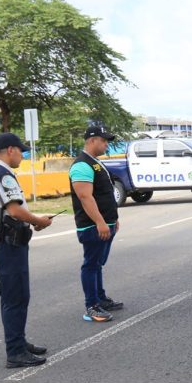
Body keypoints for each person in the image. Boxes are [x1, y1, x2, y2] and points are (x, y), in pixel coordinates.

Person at [0, 133, 53, 368]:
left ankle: (19, 343)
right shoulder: (2, 174)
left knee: (17, 296)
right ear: (10, 149)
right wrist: (37, 220)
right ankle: (15, 352)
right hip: (8, 243)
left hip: (10, 241)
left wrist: (33, 221)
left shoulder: (1, 172)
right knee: (15, 298)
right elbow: (14, 210)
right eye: (21, 151)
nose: (23, 156)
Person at [69, 126, 124, 322]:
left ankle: (100, 298)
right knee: (91, 264)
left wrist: (112, 219)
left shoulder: (95, 163)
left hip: (105, 223)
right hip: (92, 226)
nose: (106, 144)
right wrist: (100, 222)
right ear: (92, 140)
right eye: (104, 140)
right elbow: (85, 197)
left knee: (98, 264)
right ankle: (91, 306)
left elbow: (104, 194)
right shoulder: (82, 165)